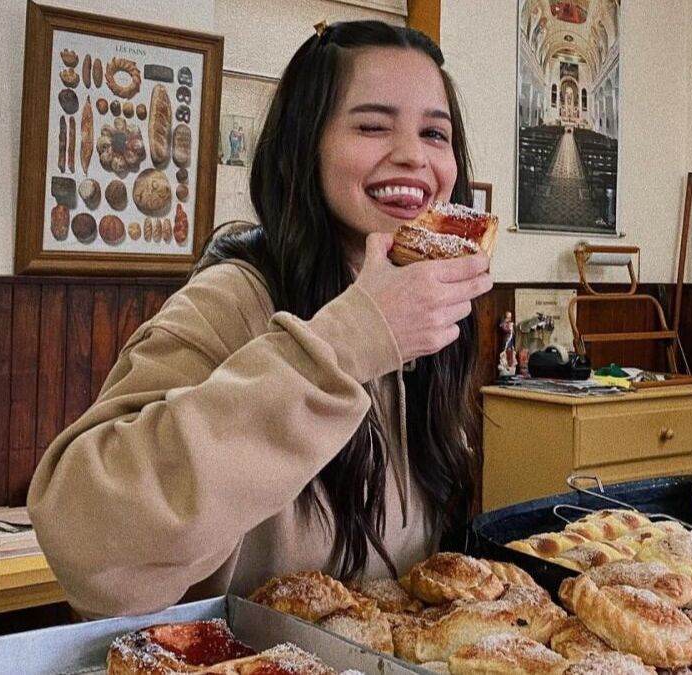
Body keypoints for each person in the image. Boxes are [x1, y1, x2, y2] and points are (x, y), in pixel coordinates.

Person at [27, 20, 493, 618]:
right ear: (306, 145)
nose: (412, 155)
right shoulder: (231, 300)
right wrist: (347, 345)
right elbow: (87, 544)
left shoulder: (433, 322)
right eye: (373, 126)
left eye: (435, 132)